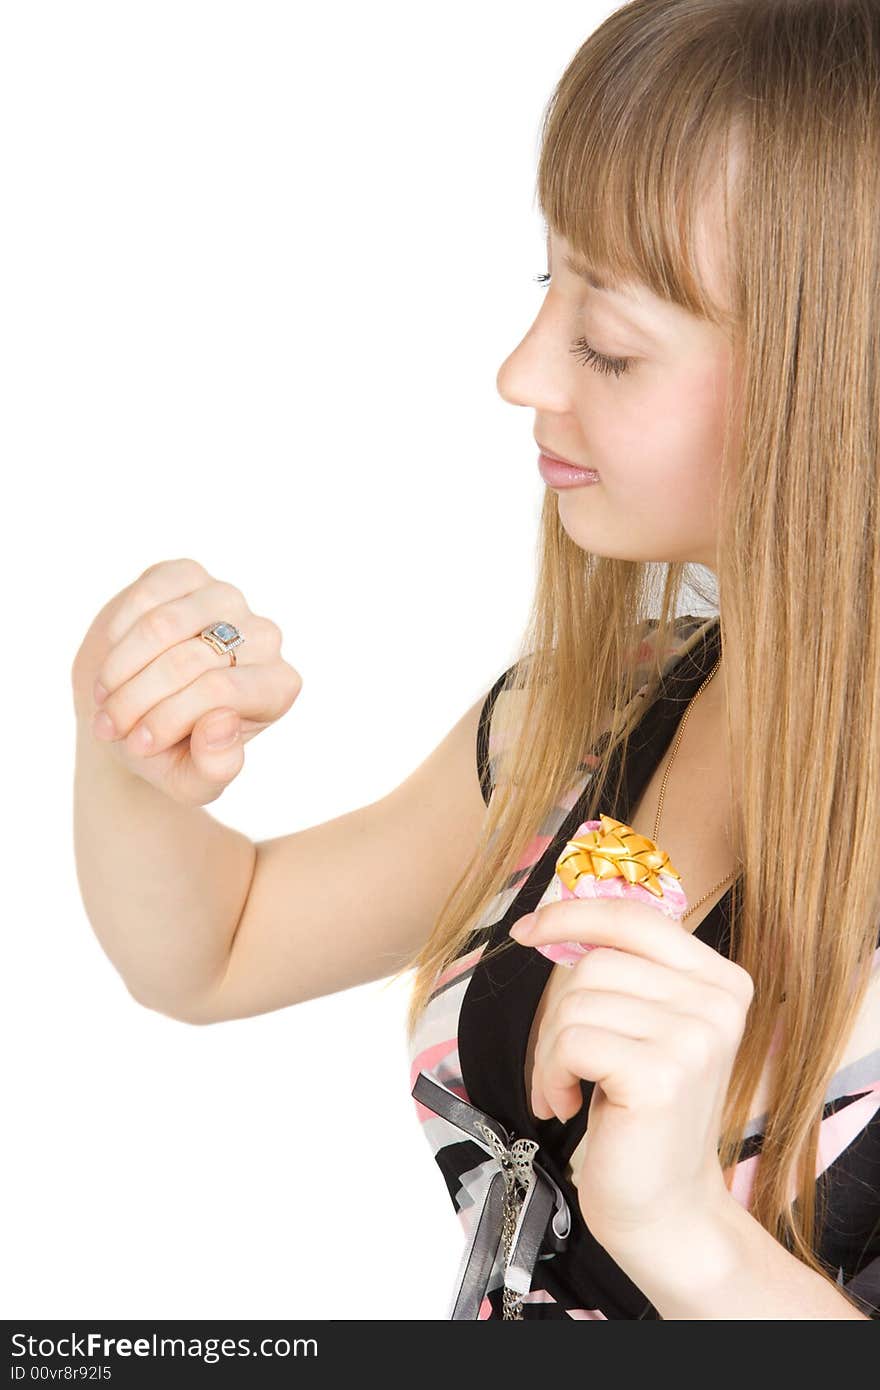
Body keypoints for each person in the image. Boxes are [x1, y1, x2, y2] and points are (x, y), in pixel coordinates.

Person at [71, 0, 880, 1320]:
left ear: (836, 372)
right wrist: (135, 749)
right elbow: (210, 950)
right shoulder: (607, 704)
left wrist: (685, 1230)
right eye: (542, 288)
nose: (518, 374)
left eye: (610, 342)